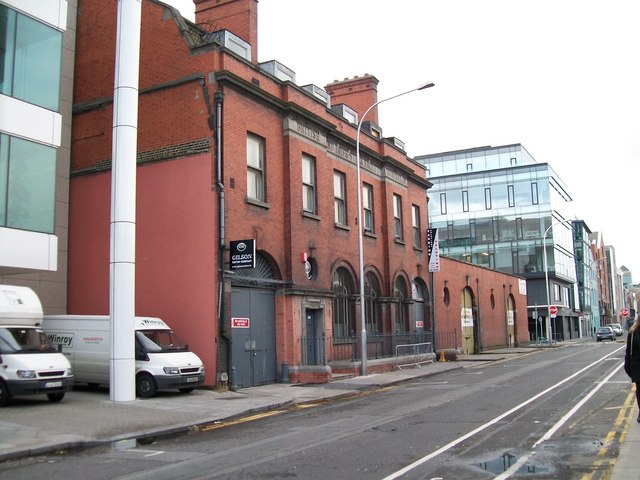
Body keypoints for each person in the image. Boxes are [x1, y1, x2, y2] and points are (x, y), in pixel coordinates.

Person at [624, 315, 640, 422]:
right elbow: (628, 351)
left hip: (636, 367)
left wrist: (629, 368)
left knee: (639, 391)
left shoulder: (633, 332)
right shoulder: (633, 333)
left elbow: (628, 352)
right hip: (637, 367)